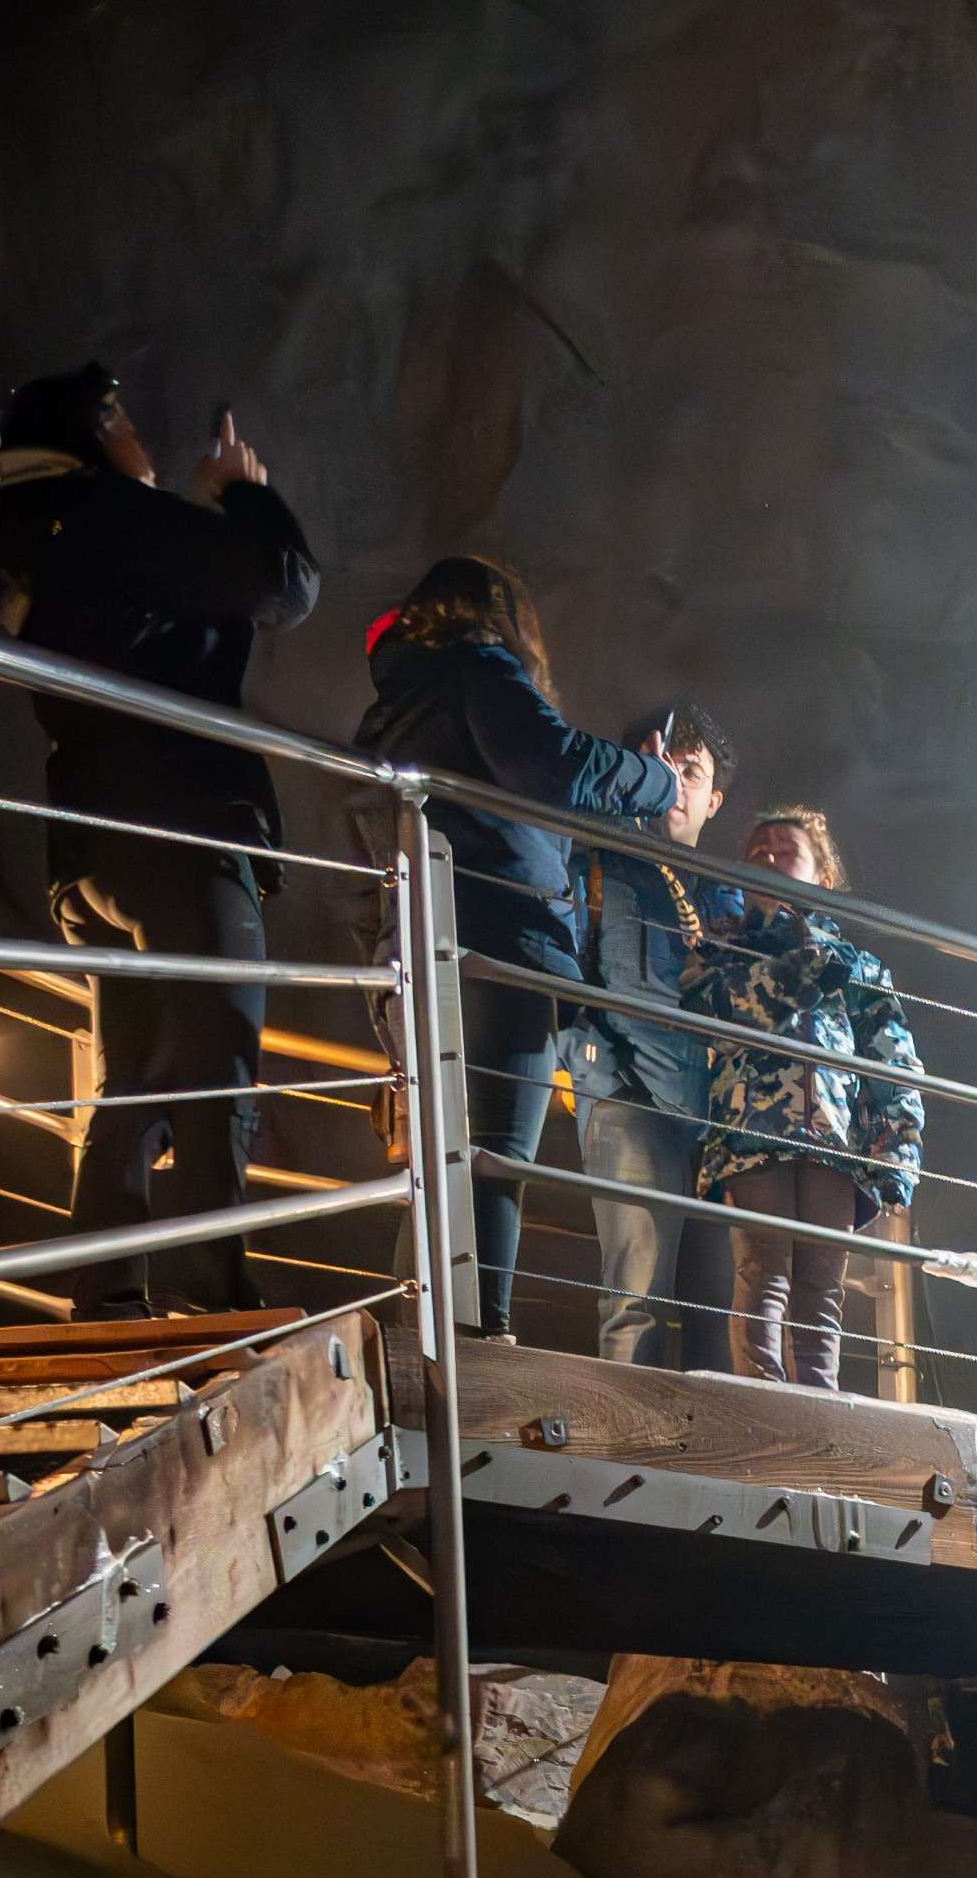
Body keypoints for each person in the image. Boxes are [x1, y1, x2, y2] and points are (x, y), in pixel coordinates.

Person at [0, 361, 318, 1314]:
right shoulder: (104, 515)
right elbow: (283, 584)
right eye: (124, 418)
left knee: (135, 1076)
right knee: (217, 1060)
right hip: (178, 823)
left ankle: (111, 1290)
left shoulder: (25, 534)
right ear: (97, 429)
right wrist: (243, 494)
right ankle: (209, 1286)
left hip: (87, 842)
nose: (140, 441)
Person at [355, 557, 675, 1338]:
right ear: (502, 617)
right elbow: (552, 764)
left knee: (445, 1160)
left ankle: (422, 1336)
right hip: (501, 936)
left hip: (418, 939)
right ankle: (478, 1341)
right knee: (496, 1151)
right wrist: (657, 783)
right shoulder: (477, 667)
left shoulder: (392, 706)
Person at [683, 806, 924, 1390]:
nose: (767, 857)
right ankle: (766, 1408)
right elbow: (715, 1015)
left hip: (836, 1140)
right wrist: (802, 965)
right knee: (764, 1271)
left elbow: (894, 1056)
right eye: (757, 851)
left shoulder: (859, 965)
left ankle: (820, 1411)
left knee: (822, 1284)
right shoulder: (722, 951)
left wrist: (899, 1152)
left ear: (822, 876)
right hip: (752, 1129)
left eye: (784, 849)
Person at [560, 698, 735, 1367]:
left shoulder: (731, 896)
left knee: (718, 1308)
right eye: (658, 765)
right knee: (638, 1295)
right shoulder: (595, 860)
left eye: (690, 771)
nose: (673, 782)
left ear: (715, 799)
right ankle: (628, 1460)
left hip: (719, 1117)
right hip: (629, 1091)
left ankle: (719, 1463)